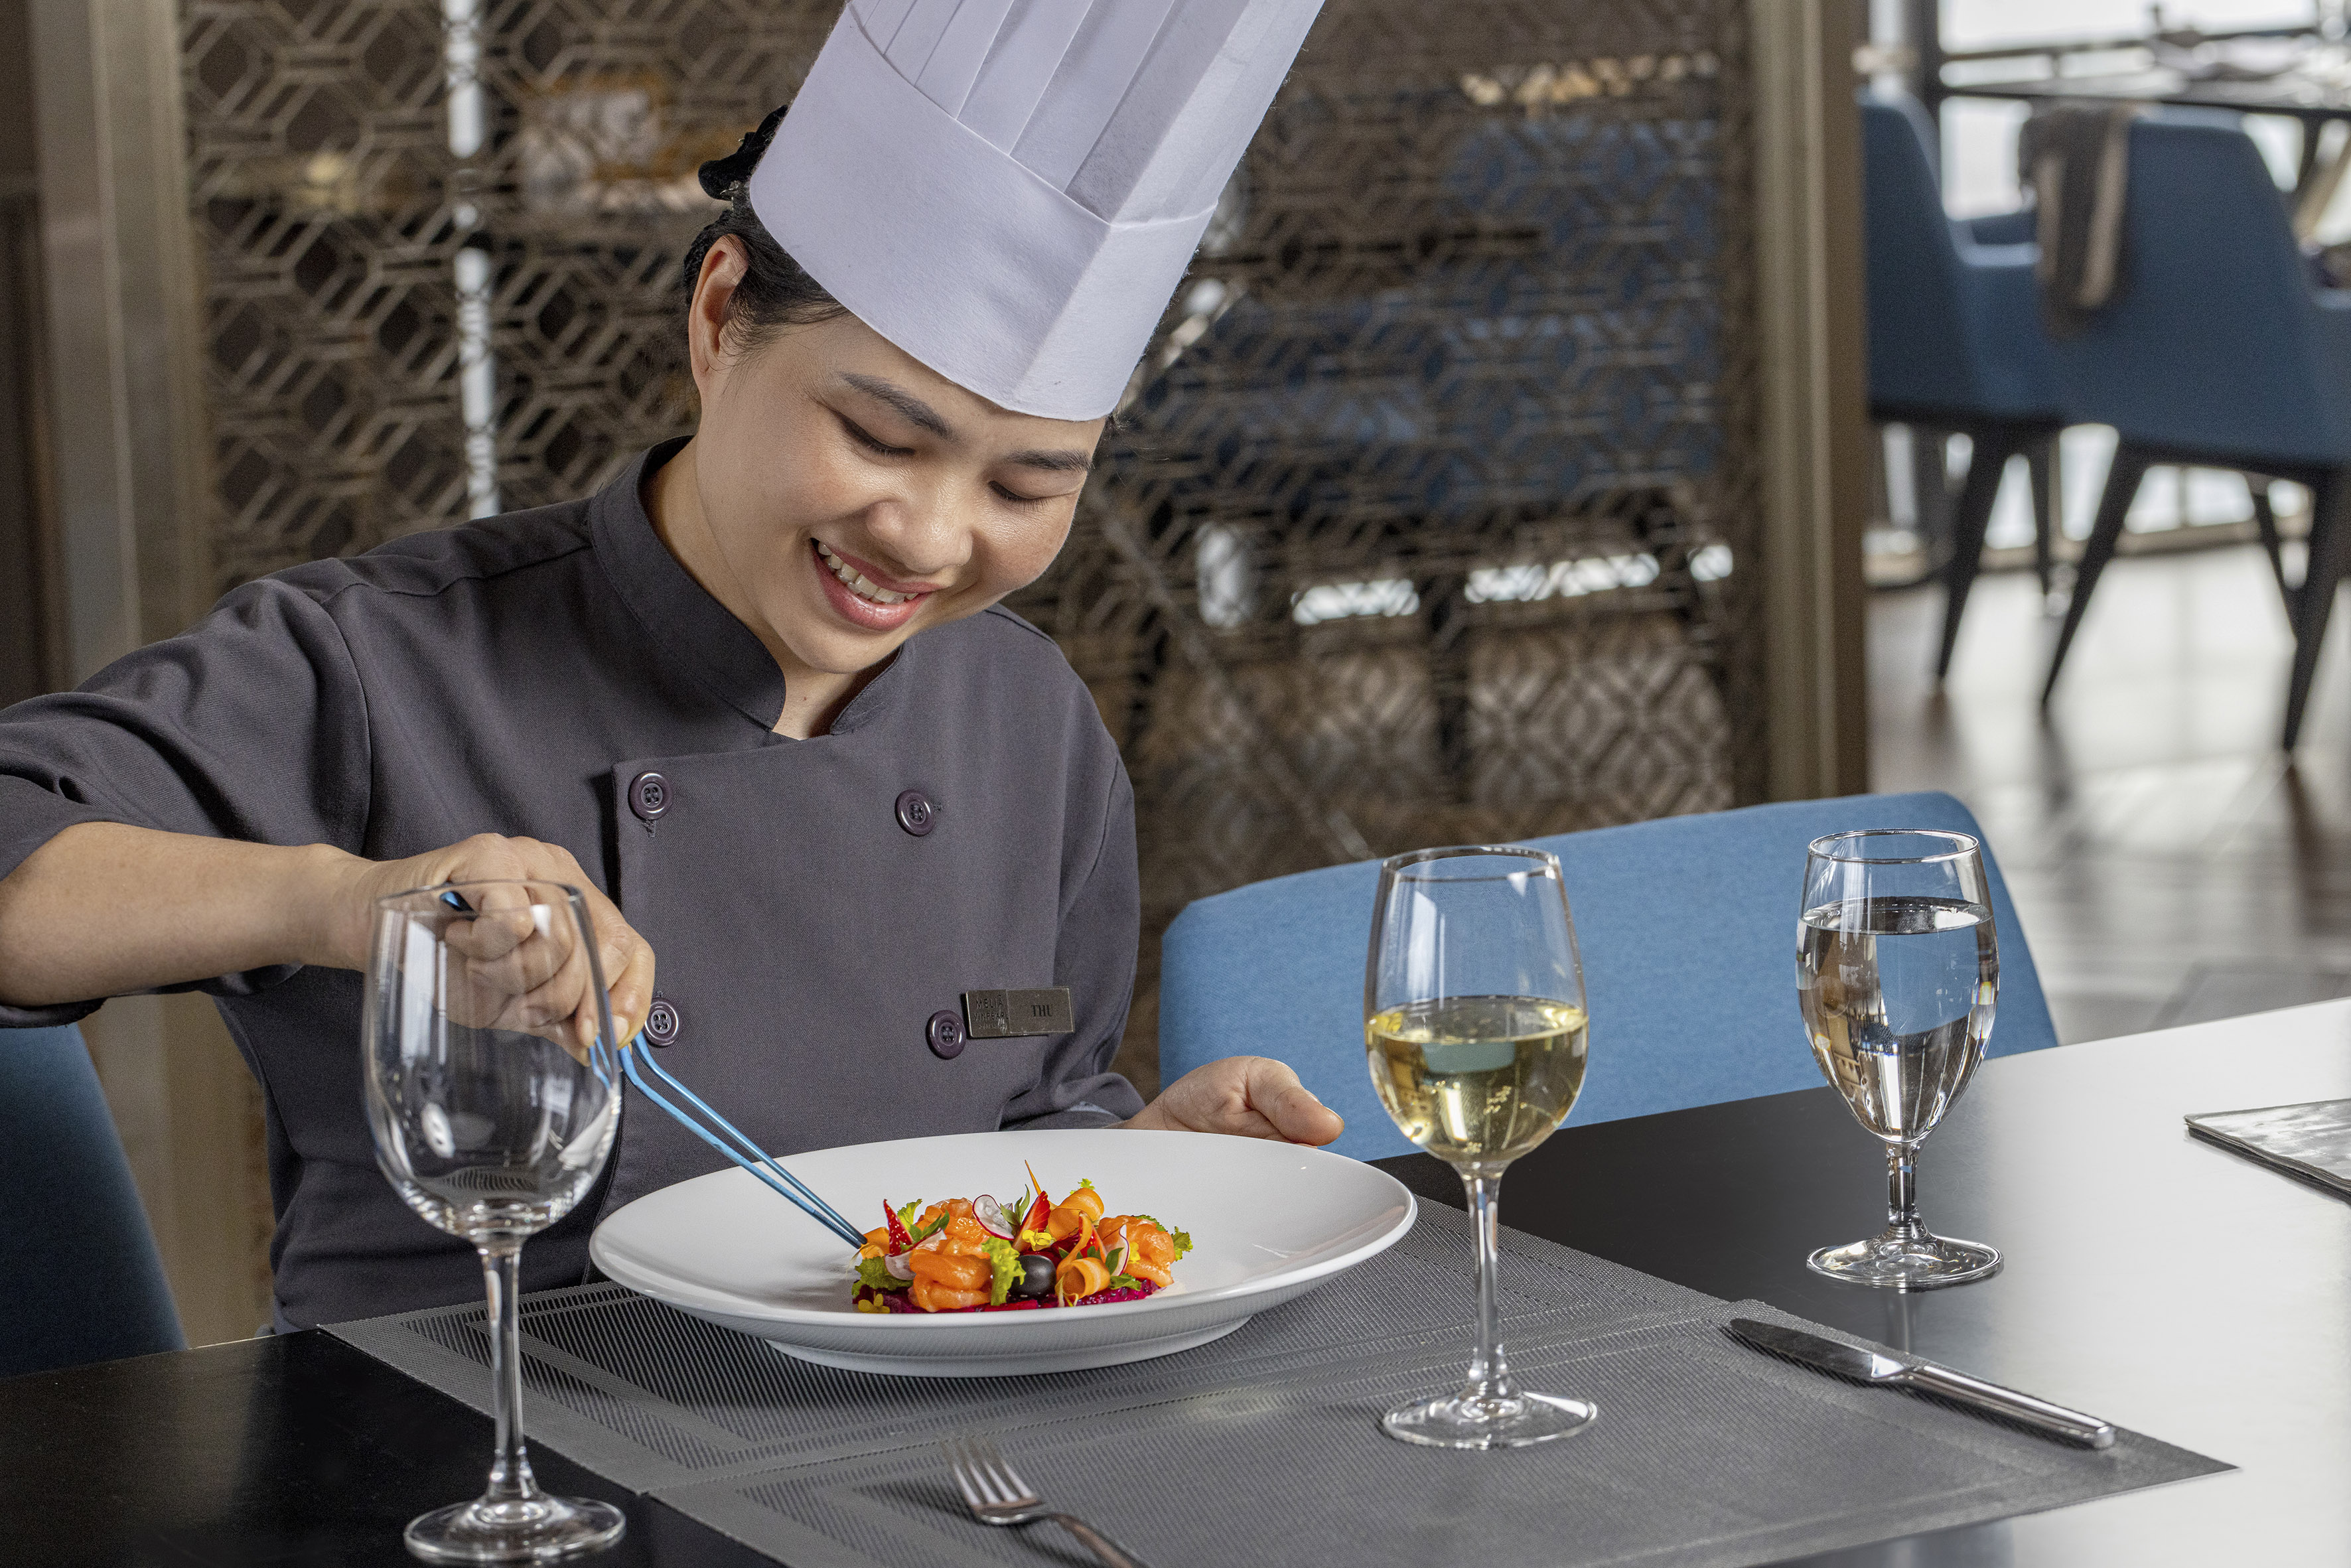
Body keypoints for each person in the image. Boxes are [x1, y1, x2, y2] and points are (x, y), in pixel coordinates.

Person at [0, 0, 1338, 1330]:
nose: (928, 538)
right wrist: (357, 906)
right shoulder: (379, 662)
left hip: (905, 1472)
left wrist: (1131, 1178)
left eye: (1024, 485)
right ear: (715, 319)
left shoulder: (1026, 713)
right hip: (466, 1454)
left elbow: (1027, 1124)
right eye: (877, 438)